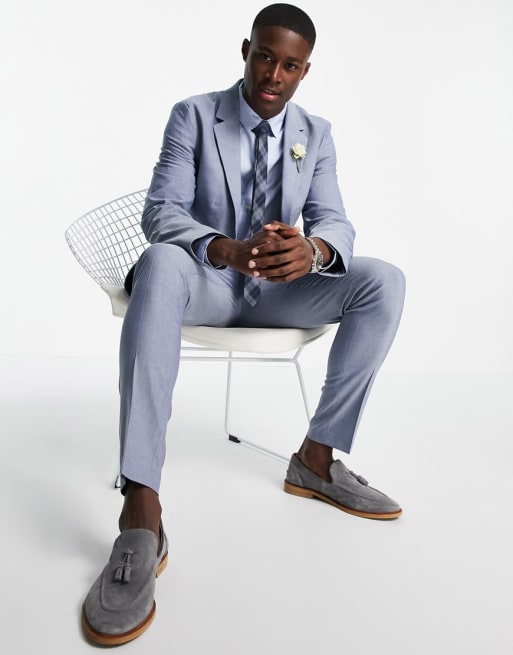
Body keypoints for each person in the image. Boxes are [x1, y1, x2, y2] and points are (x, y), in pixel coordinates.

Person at [81, 3, 406, 646]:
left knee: (383, 280)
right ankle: (141, 508)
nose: (273, 75)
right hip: (207, 281)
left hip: (279, 291)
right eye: (264, 57)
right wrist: (225, 249)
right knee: (160, 261)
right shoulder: (194, 115)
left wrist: (313, 251)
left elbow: (335, 219)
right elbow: (161, 212)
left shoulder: (317, 133)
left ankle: (316, 459)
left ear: (305, 71)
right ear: (246, 51)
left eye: (290, 65)